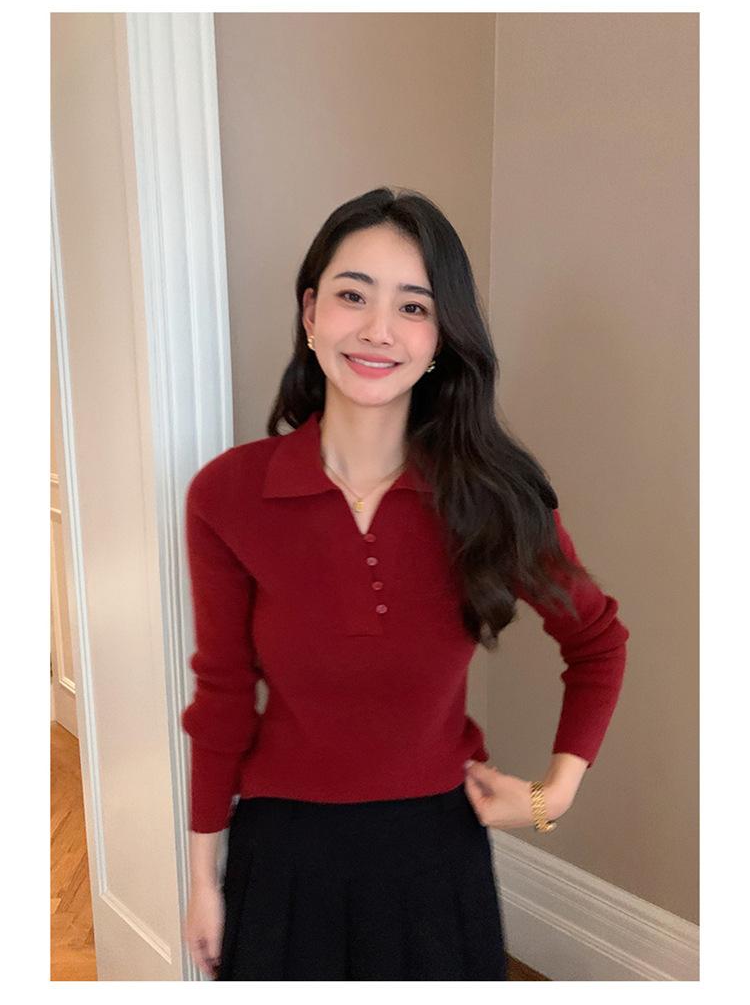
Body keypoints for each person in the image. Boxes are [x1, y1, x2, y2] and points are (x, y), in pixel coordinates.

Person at [180, 187, 630, 980]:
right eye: (353, 295)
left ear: (439, 340)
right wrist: (201, 880)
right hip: (282, 857)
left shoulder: (493, 499)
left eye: (413, 307)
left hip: (436, 859)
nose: (378, 329)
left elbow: (597, 640)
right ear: (311, 312)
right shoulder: (227, 495)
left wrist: (552, 795)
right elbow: (222, 697)